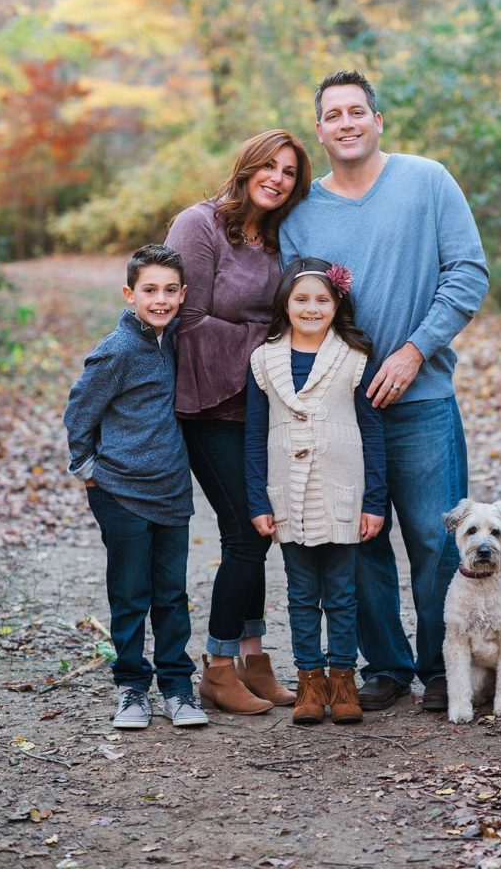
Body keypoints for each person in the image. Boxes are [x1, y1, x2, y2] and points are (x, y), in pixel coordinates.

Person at [280, 70, 490, 712]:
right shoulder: (303, 212)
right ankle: (386, 667)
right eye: (333, 115)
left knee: (434, 536)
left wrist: (412, 349)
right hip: (340, 410)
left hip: (422, 398)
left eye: (356, 111)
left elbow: (468, 273)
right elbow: (293, 306)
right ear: (320, 130)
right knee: (359, 538)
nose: (346, 123)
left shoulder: (427, 180)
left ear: (378, 121)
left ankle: (441, 667)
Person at [165, 130, 312, 715]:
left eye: (290, 172)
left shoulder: (278, 238)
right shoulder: (198, 226)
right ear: (247, 165)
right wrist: (272, 341)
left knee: (262, 529)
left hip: (261, 406)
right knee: (246, 533)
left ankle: (254, 660)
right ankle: (219, 667)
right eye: (270, 166)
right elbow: (187, 319)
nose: (278, 178)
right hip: (207, 404)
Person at [63, 244, 208, 729]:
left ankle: (178, 687)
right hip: (121, 492)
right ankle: (130, 687)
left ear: (183, 294)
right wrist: (87, 469)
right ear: (130, 294)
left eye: (170, 290)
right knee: (130, 594)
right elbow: (80, 409)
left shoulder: (177, 341)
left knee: (171, 594)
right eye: (150, 290)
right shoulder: (118, 350)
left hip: (171, 491)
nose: (160, 299)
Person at [245, 258, 387, 725]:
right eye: (301, 299)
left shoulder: (354, 356)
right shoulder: (264, 359)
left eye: (321, 300)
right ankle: (310, 680)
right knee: (302, 594)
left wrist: (374, 501)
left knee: (343, 593)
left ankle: (343, 679)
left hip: (341, 489)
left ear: (336, 303)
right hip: (288, 492)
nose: (311, 307)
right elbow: (253, 434)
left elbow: (372, 430)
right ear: (285, 304)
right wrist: (258, 500)